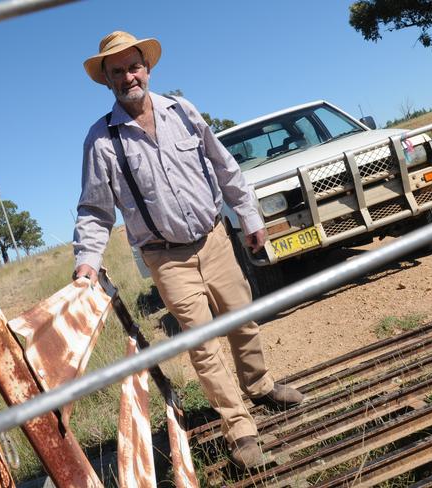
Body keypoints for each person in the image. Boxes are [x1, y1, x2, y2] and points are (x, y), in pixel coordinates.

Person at [73, 31, 303, 469]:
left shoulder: (183, 111)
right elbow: (95, 211)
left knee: (243, 319)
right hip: (166, 257)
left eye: (133, 66)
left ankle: (260, 387)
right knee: (203, 343)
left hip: (215, 238)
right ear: (106, 80)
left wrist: (249, 216)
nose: (128, 77)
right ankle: (240, 429)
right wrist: (87, 263)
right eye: (117, 71)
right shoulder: (101, 141)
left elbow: (223, 165)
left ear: (148, 67)